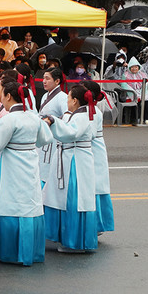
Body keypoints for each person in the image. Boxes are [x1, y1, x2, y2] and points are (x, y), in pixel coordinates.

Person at [0, 79, 53, 266]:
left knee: (9, 203)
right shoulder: (32, 117)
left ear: (8, 96)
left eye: (1, 91)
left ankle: (8, 251)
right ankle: (28, 250)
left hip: (11, 166)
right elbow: (45, 138)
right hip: (29, 163)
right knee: (28, 204)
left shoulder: (8, 119)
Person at [42, 85, 98, 253]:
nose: (66, 101)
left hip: (76, 160)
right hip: (70, 157)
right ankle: (67, 238)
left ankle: (75, 242)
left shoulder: (81, 117)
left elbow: (70, 133)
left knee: (74, 199)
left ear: (75, 100)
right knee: (64, 198)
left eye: (68, 98)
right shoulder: (80, 114)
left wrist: (53, 121)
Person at [79, 80, 114, 234]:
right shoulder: (87, 109)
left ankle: (97, 224)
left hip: (94, 149)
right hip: (92, 148)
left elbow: (89, 134)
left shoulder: (93, 111)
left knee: (95, 185)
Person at [36, 67, 68, 190]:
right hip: (43, 137)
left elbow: (66, 116)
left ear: (57, 81)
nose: (44, 81)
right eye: (43, 78)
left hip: (53, 139)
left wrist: (52, 120)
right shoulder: (45, 96)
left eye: (47, 78)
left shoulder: (62, 97)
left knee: (50, 169)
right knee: (42, 167)